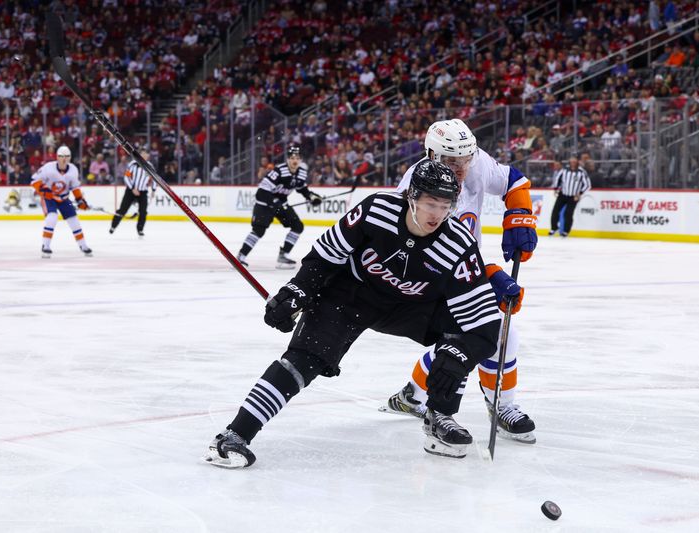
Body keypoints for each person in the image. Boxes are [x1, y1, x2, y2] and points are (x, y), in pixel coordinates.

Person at [204, 160, 502, 468]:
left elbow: (484, 324)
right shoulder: (377, 210)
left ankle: (440, 415)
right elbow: (325, 254)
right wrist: (298, 290)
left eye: (445, 205)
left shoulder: (458, 243)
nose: (437, 214)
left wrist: (461, 356)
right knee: (304, 359)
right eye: (430, 203)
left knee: (459, 342)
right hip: (351, 295)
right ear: (412, 197)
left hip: (412, 307)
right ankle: (234, 436)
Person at [382, 118, 540, 444]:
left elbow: (513, 180)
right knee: (466, 339)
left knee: (499, 331)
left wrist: (519, 215)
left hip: (466, 269)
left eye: (465, 160)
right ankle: (440, 411)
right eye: (453, 162)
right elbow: (428, 255)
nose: (462, 168)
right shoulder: (416, 190)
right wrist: (489, 275)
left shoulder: (473, 161)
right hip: (424, 278)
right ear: (431, 156)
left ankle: (418, 395)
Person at [237, 144, 323, 269]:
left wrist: (312, 197)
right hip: (264, 204)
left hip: (280, 204)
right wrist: (274, 202)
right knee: (259, 230)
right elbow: (261, 191)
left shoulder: (302, 173)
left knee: (297, 226)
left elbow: (302, 189)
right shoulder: (279, 171)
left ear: (300, 160)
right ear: (288, 159)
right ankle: (241, 256)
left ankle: (283, 256)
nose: (295, 160)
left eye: (297, 158)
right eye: (292, 158)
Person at [30, 145, 92, 258]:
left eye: (67, 156)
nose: (64, 159)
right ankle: (45, 246)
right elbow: (34, 180)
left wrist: (80, 200)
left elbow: (75, 187)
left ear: (70, 157)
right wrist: (44, 191)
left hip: (64, 199)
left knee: (74, 220)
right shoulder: (48, 167)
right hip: (50, 198)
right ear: (57, 157)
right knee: (52, 218)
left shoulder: (73, 169)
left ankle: (83, 246)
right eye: (62, 156)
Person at [109, 150, 156, 237]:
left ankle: (140, 229)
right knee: (123, 209)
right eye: (143, 154)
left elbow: (154, 179)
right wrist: (132, 188)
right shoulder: (132, 164)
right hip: (130, 191)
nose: (145, 156)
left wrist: (153, 190)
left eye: (146, 154)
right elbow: (126, 176)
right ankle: (113, 226)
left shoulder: (150, 166)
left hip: (143, 191)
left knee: (143, 211)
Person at [549, 155, 591, 237]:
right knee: (555, 211)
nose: (573, 163)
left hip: (573, 196)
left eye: (574, 161)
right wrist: (556, 189)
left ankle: (566, 231)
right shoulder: (564, 170)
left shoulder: (581, 172)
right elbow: (557, 179)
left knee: (568, 214)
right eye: (571, 161)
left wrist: (580, 194)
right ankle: (554, 228)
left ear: (577, 162)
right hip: (563, 194)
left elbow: (587, 185)